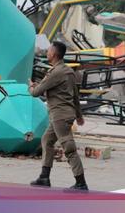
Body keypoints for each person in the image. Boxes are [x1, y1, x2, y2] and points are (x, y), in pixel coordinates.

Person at [28, 41, 87, 191]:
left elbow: (36, 93)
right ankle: (44, 177)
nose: (47, 53)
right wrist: (79, 115)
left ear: (54, 54)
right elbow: (75, 96)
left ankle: (80, 183)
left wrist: (31, 85)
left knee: (69, 148)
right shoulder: (68, 71)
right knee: (47, 140)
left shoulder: (56, 73)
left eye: (48, 50)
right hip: (63, 115)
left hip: (60, 116)